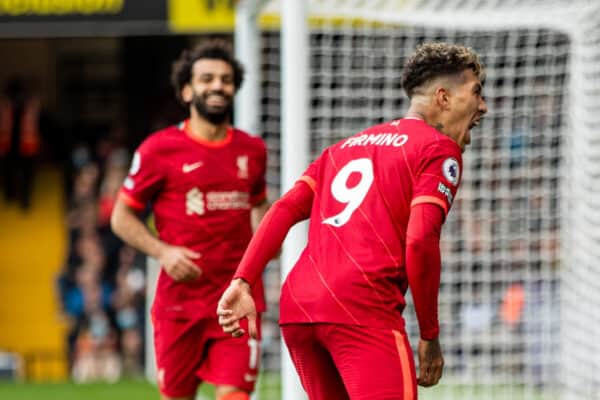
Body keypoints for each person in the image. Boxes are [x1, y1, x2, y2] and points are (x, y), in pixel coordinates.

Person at [217, 42, 488, 399]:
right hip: (362, 307)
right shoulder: (437, 148)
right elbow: (420, 240)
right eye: (476, 92)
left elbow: (282, 209)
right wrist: (429, 335)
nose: (483, 105)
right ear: (443, 97)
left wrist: (243, 280)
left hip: (300, 308)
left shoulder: (342, 148)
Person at [111, 39, 269, 400]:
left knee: (236, 396)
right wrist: (163, 252)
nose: (217, 86)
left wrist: (264, 242)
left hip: (236, 298)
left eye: (226, 79)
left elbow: (259, 205)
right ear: (187, 90)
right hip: (179, 306)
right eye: (207, 78)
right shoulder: (158, 149)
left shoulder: (252, 150)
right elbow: (121, 216)